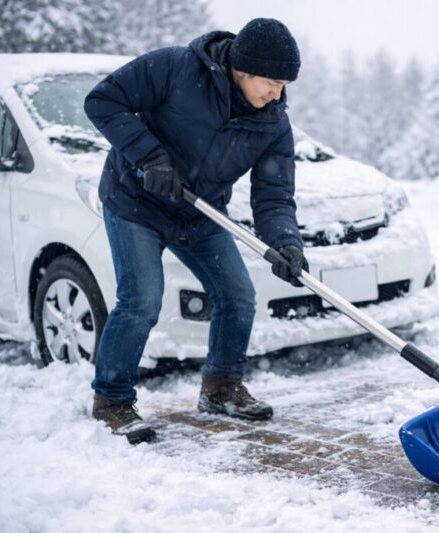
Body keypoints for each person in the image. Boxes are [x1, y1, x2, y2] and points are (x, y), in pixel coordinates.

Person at [84, 18, 308, 444]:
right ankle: (111, 400)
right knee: (141, 301)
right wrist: (150, 157)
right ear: (243, 68)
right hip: (137, 202)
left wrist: (284, 242)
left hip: (199, 213)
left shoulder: (272, 123)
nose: (277, 94)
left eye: (283, 85)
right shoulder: (175, 68)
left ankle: (221, 388)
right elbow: (103, 101)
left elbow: (274, 194)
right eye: (271, 82)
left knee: (238, 296)